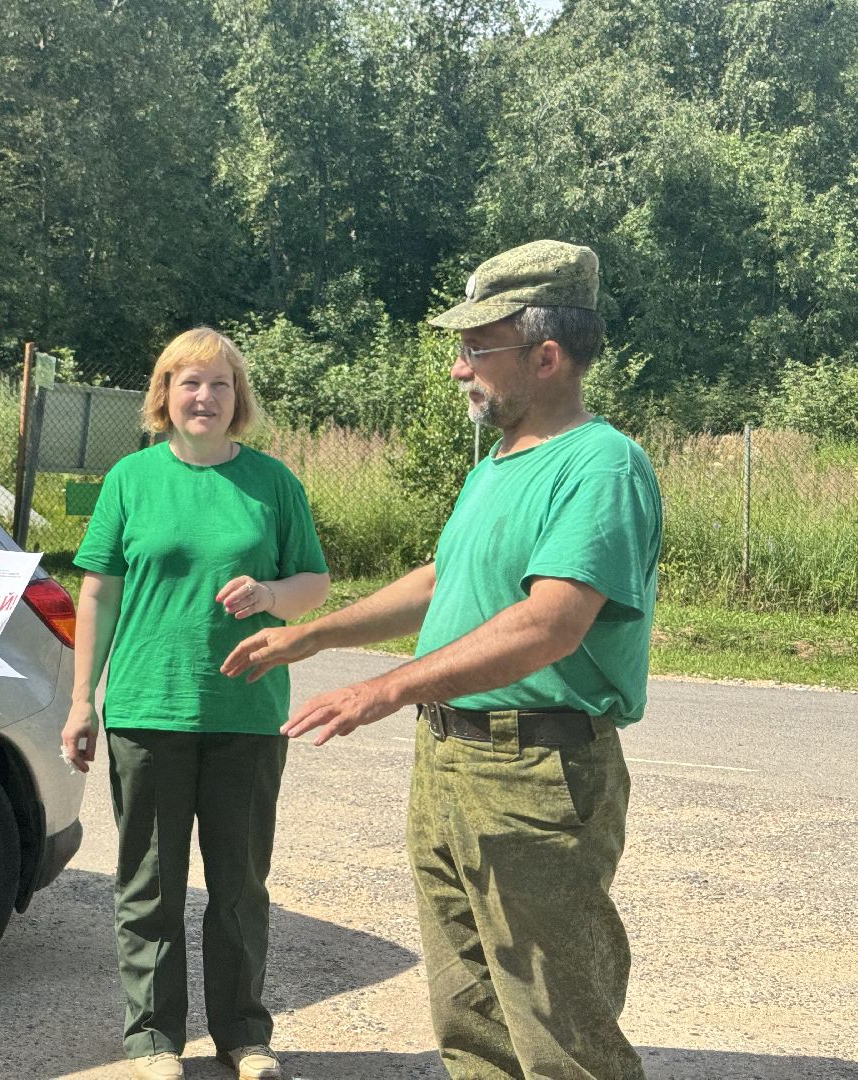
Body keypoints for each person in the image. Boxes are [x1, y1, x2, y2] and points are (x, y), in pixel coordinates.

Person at [224, 240, 660, 1080]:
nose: (459, 369)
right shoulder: (497, 463)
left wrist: (385, 688)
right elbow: (443, 579)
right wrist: (313, 635)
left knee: (558, 1033)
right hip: (455, 757)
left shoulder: (602, 465)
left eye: (475, 348)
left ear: (546, 355)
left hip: (534, 769)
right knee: (472, 1022)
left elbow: (550, 625)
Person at [61, 327, 331, 1080]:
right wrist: (83, 700)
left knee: (240, 883)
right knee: (149, 883)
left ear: (237, 398)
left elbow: (314, 583)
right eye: (188, 382)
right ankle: (153, 1040)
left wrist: (273, 594)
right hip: (149, 709)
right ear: (164, 395)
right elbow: (98, 591)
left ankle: (244, 1035)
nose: (204, 397)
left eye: (219, 384)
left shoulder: (272, 483)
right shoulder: (131, 480)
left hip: (247, 711)